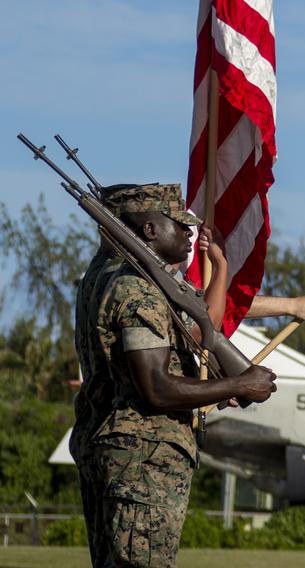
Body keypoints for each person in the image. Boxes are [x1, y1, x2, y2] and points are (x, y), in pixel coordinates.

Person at [71, 183, 279, 567]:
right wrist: (238, 383)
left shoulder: (100, 277)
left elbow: (199, 330)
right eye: (179, 226)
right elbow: (157, 388)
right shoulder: (138, 290)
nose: (189, 234)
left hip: (107, 442)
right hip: (144, 455)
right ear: (149, 230)